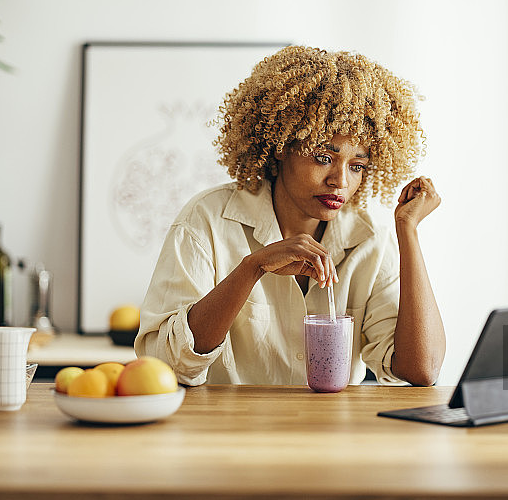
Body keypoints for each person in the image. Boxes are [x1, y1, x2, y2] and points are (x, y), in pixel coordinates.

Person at [136, 45, 445, 387]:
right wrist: (252, 268)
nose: (340, 181)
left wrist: (408, 230)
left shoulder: (370, 239)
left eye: (357, 166)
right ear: (282, 146)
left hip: (334, 436)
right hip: (226, 434)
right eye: (323, 158)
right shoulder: (206, 220)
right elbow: (163, 365)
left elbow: (421, 370)